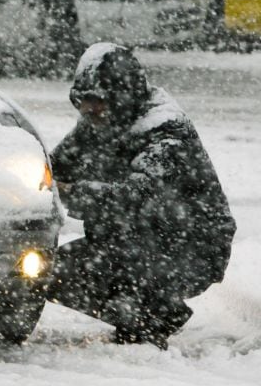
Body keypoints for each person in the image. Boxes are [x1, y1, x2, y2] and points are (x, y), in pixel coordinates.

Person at [44, 43, 235, 349]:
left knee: (132, 254)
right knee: (44, 270)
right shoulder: (98, 123)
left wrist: (70, 192)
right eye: (82, 100)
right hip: (127, 239)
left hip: (191, 245)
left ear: (122, 97)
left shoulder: (166, 131)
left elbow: (135, 196)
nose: (87, 109)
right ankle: (136, 307)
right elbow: (53, 166)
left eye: (96, 101)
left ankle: (150, 313)